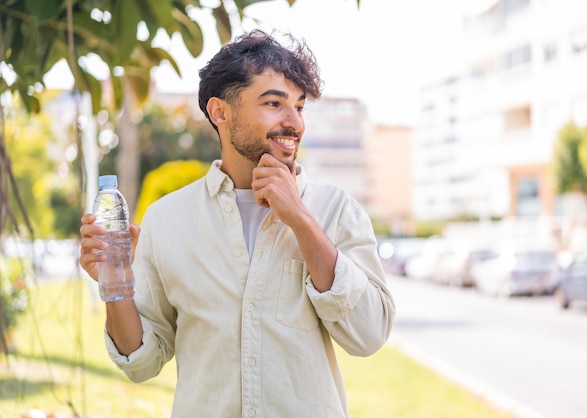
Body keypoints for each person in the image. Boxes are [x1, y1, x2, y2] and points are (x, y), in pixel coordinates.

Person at [79, 29, 395, 417]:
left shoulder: (335, 209)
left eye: (299, 106)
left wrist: (300, 219)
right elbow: (142, 363)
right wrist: (116, 287)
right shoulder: (168, 219)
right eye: (274, 103)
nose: (293, 122)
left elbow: (369, 335)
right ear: (220, 112)